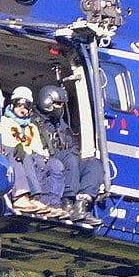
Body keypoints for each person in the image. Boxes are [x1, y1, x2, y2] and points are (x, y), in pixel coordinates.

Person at [36, 84, 105, 226]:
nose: (61, 107)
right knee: (70, 157)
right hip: (45, 160)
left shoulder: (60, 124)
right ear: (47, 102)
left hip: (66, 161)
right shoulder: (35, 121)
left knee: (94, 164)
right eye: (58, 104)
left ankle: (81, 204)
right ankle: (67, 201)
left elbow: (71, 144)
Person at [0, 86, 66, 217]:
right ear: (13, 105)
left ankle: (49, 203)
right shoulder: (4, 121)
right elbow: (5, 142)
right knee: (23, 155)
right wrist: (20, 147)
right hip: (12, 155)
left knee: (54, 164)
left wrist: (44, 158)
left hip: (29, 157)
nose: (22, 108)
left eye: (26, 105)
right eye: (19, 104)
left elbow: (38, 149)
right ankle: (21, 196)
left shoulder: (32, 127)